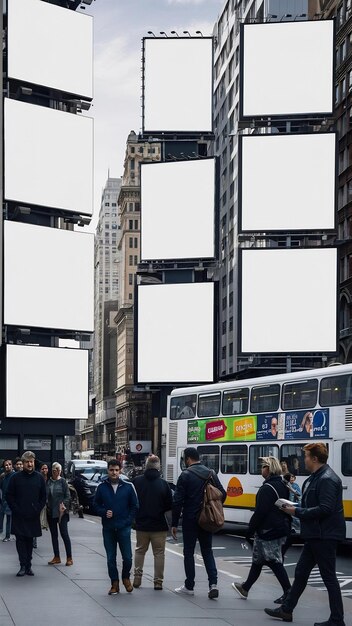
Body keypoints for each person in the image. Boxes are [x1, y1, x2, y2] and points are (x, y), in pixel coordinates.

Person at [264, 442, 346, 626]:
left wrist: (296, 512)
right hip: (315, 534)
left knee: (329, 577)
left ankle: (337, 619)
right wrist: (293, 507)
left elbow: (325, 509)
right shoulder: (315, 477)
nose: (304, 460)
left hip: (325, 535)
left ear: (315, 459)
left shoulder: (327, 479)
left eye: (307, 457)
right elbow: (311, 504)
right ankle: (287, 610)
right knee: (301, 572)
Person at [232, 457, 291, 604]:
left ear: (269, 469)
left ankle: (289, 592)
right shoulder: (283, 485)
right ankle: (245, 587)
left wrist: (249, 530)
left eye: (263, 466)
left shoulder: (266, 489)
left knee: (273, 561)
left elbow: (260, 512)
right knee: (258, 560)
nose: (261, 469)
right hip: (280, 527)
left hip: (267, 530)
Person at [171, 447, 227, 600]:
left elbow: (177, 502)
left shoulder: (185, 475)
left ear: (188, 459)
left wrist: (174, 523)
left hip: (190, 519)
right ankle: (213, 584)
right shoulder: (211, 474)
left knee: (189, 552)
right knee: (207, 550)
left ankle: (189, 586)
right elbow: (223, 494)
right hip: (206, 519)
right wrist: (211, 507)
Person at [94, 459, 138, 596]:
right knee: (110, 558)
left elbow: (135, 506)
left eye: (116, 470)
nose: (114, 472)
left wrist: (128, 521)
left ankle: (125, 577)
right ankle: (114, 583)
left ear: (120, 471)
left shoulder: (128, 486)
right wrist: (103, 512)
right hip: (108, 528)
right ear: (107, 471)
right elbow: (95, 505)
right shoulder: (101, 487)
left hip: (124, 528)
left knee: (128, 558)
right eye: (111, 470)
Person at [133, 455, 173, 590]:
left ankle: (137, 578)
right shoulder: (164, 484)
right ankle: (158, 582)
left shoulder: (137, 482)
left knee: (139, 551)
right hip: (159, 525)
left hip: (142, 524)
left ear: (146, 466)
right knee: (159, 554)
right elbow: (169, 505)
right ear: (158, 467)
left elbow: (132, 502)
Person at [6, 451, 46, 576]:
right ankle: (22, 565)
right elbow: (9, 495)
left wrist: (37, 509)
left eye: (31, 461)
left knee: (30, 541)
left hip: (33, 515)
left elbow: (43, 497)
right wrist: (16, 509)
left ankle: (29, 565)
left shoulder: (39, 477)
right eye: (27, 462)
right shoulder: (15, 478)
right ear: (22, 463)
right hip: (19, 515)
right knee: (20, 541)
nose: (29, 464)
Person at [46, 462, 73, 566]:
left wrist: (64, 504)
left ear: (60, 471)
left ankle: (69, 557)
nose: (56, 472)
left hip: (62, 512)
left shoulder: (63, 482)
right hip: (51, 511)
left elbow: (68, 496)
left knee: (64, 534)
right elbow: (46, 495)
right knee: (54, 535)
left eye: (58, 470)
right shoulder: (49, 482)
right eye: (54, 470)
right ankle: (56, 557)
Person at [0, 460, 15, 541]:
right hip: (4, 501)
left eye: (9, 464)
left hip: (11, 501)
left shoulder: (15, 475)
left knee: (9, 518)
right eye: (6, 465)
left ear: (12, 466)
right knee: (5, 517)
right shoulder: (4, 476)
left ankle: (8, 536)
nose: (8, 466)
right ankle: (7, 534)